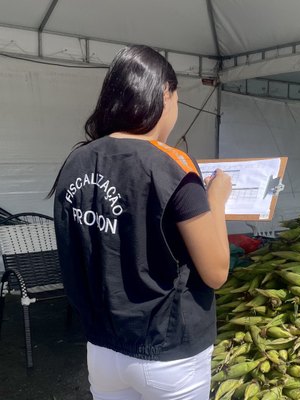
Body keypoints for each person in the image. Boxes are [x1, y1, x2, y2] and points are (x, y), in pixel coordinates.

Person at [51, 45, 232, 400]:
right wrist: (217, 201)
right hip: (168, 353)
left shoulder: (77, 160)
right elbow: (216, 272)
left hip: (103, 348)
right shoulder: (173, 164)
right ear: (165, 93)